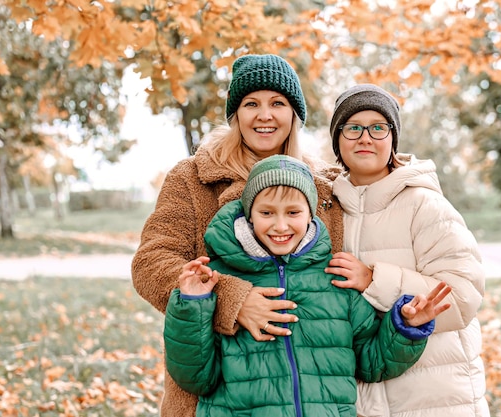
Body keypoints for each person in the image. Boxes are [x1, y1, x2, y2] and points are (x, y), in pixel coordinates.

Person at [131, 54, 345, 417]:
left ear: (294, 114)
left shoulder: (325, 188)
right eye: (251, 104)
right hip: (214, 389)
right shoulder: (194, 178)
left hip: (307, 389)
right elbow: (151, 263)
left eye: (277, 103)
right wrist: (232, 299)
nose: (264, 115)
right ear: (235, 116)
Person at [163, 154, 452, 416]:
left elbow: (372, 362)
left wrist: (405, 329)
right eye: (267, 213)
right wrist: (192, 307)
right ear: (249, 215)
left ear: (310, 214)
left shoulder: (335, 278)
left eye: (293, 213)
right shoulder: (221, 281)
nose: (280, 226)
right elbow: (196, 377)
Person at [324, 84, 489, 416]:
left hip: (434, 395)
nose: (365, 137)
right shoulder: (326, 208)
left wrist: (373, 279)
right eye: (353, 127)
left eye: (378, 128)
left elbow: (462, 295)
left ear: (392, 139)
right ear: (338, 140)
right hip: (364, 398)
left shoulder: (423, 204)